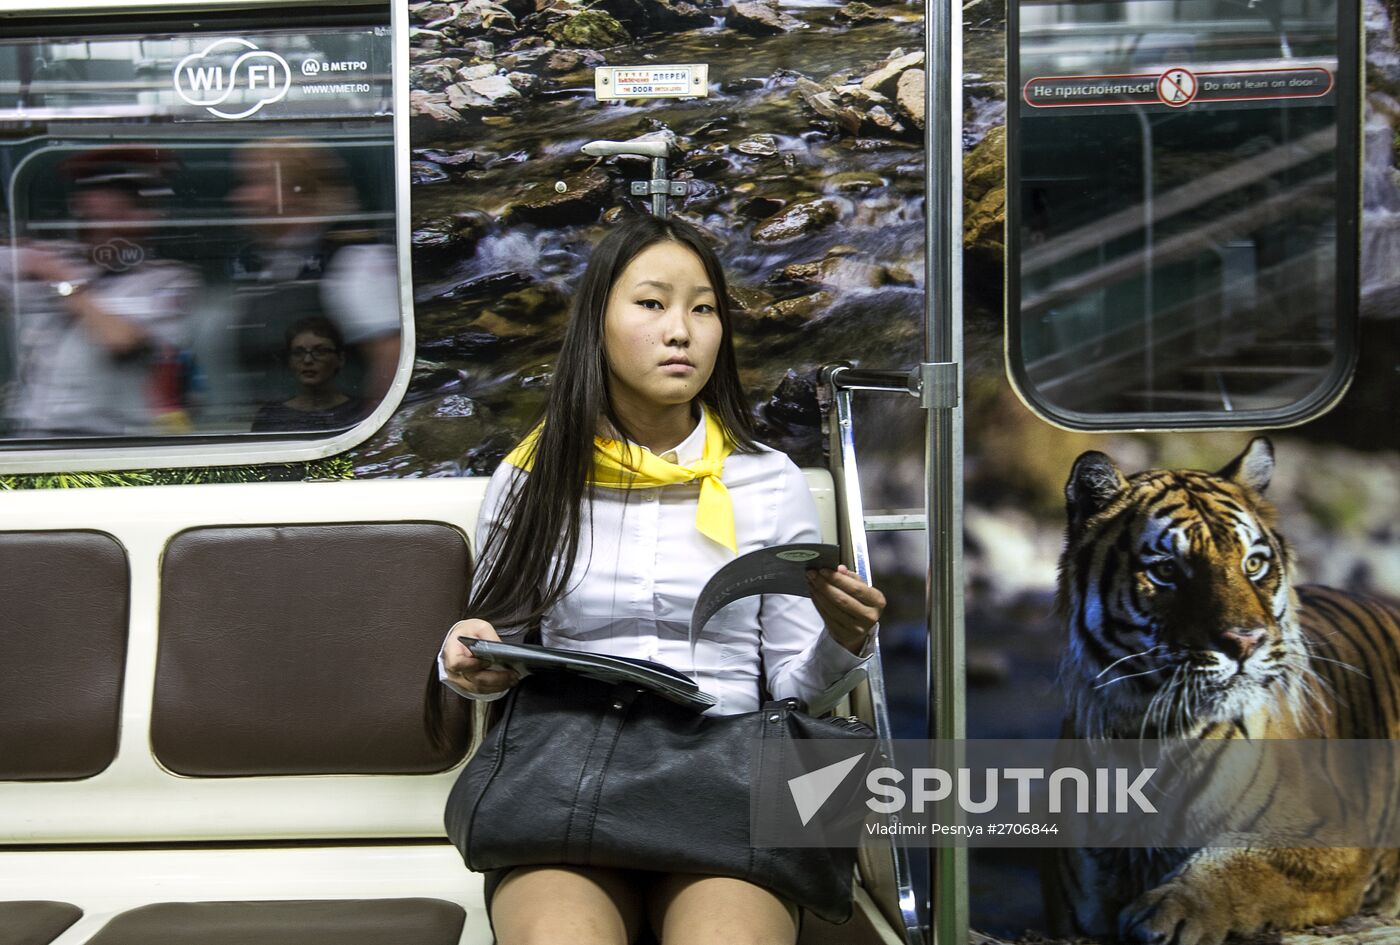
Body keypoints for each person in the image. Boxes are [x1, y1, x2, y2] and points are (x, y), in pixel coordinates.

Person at [431, 214, 886, 945]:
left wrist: (844, 637)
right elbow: (493, 645)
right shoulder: (531, 475)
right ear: (598, 324)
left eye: (703, 308)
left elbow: (797, 692)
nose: (682, 330)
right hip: (566, 764)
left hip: (731, 767)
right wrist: (465, 656)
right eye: (652, 303)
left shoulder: (768, 480)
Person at [2, 148, 198, 436]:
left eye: (130, 204)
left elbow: (122, 339)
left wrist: (65, 282)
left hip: (110, 442)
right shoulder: (54, 257)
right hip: (33, 436)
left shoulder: (168, 279)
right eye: (89, 202)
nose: (94, 212)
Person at [224, 141, 400, 412]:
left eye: (253, 183)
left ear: (296, 191)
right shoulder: (276, 265)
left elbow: (390, 359)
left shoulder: (354, 261)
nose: (239, 197)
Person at [250, 317, 366, 433]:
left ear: (340, 359)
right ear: (290, 361)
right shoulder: (272, 417)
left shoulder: (362, 412)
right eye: (298, 353)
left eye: (320, 351)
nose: (307, 360)